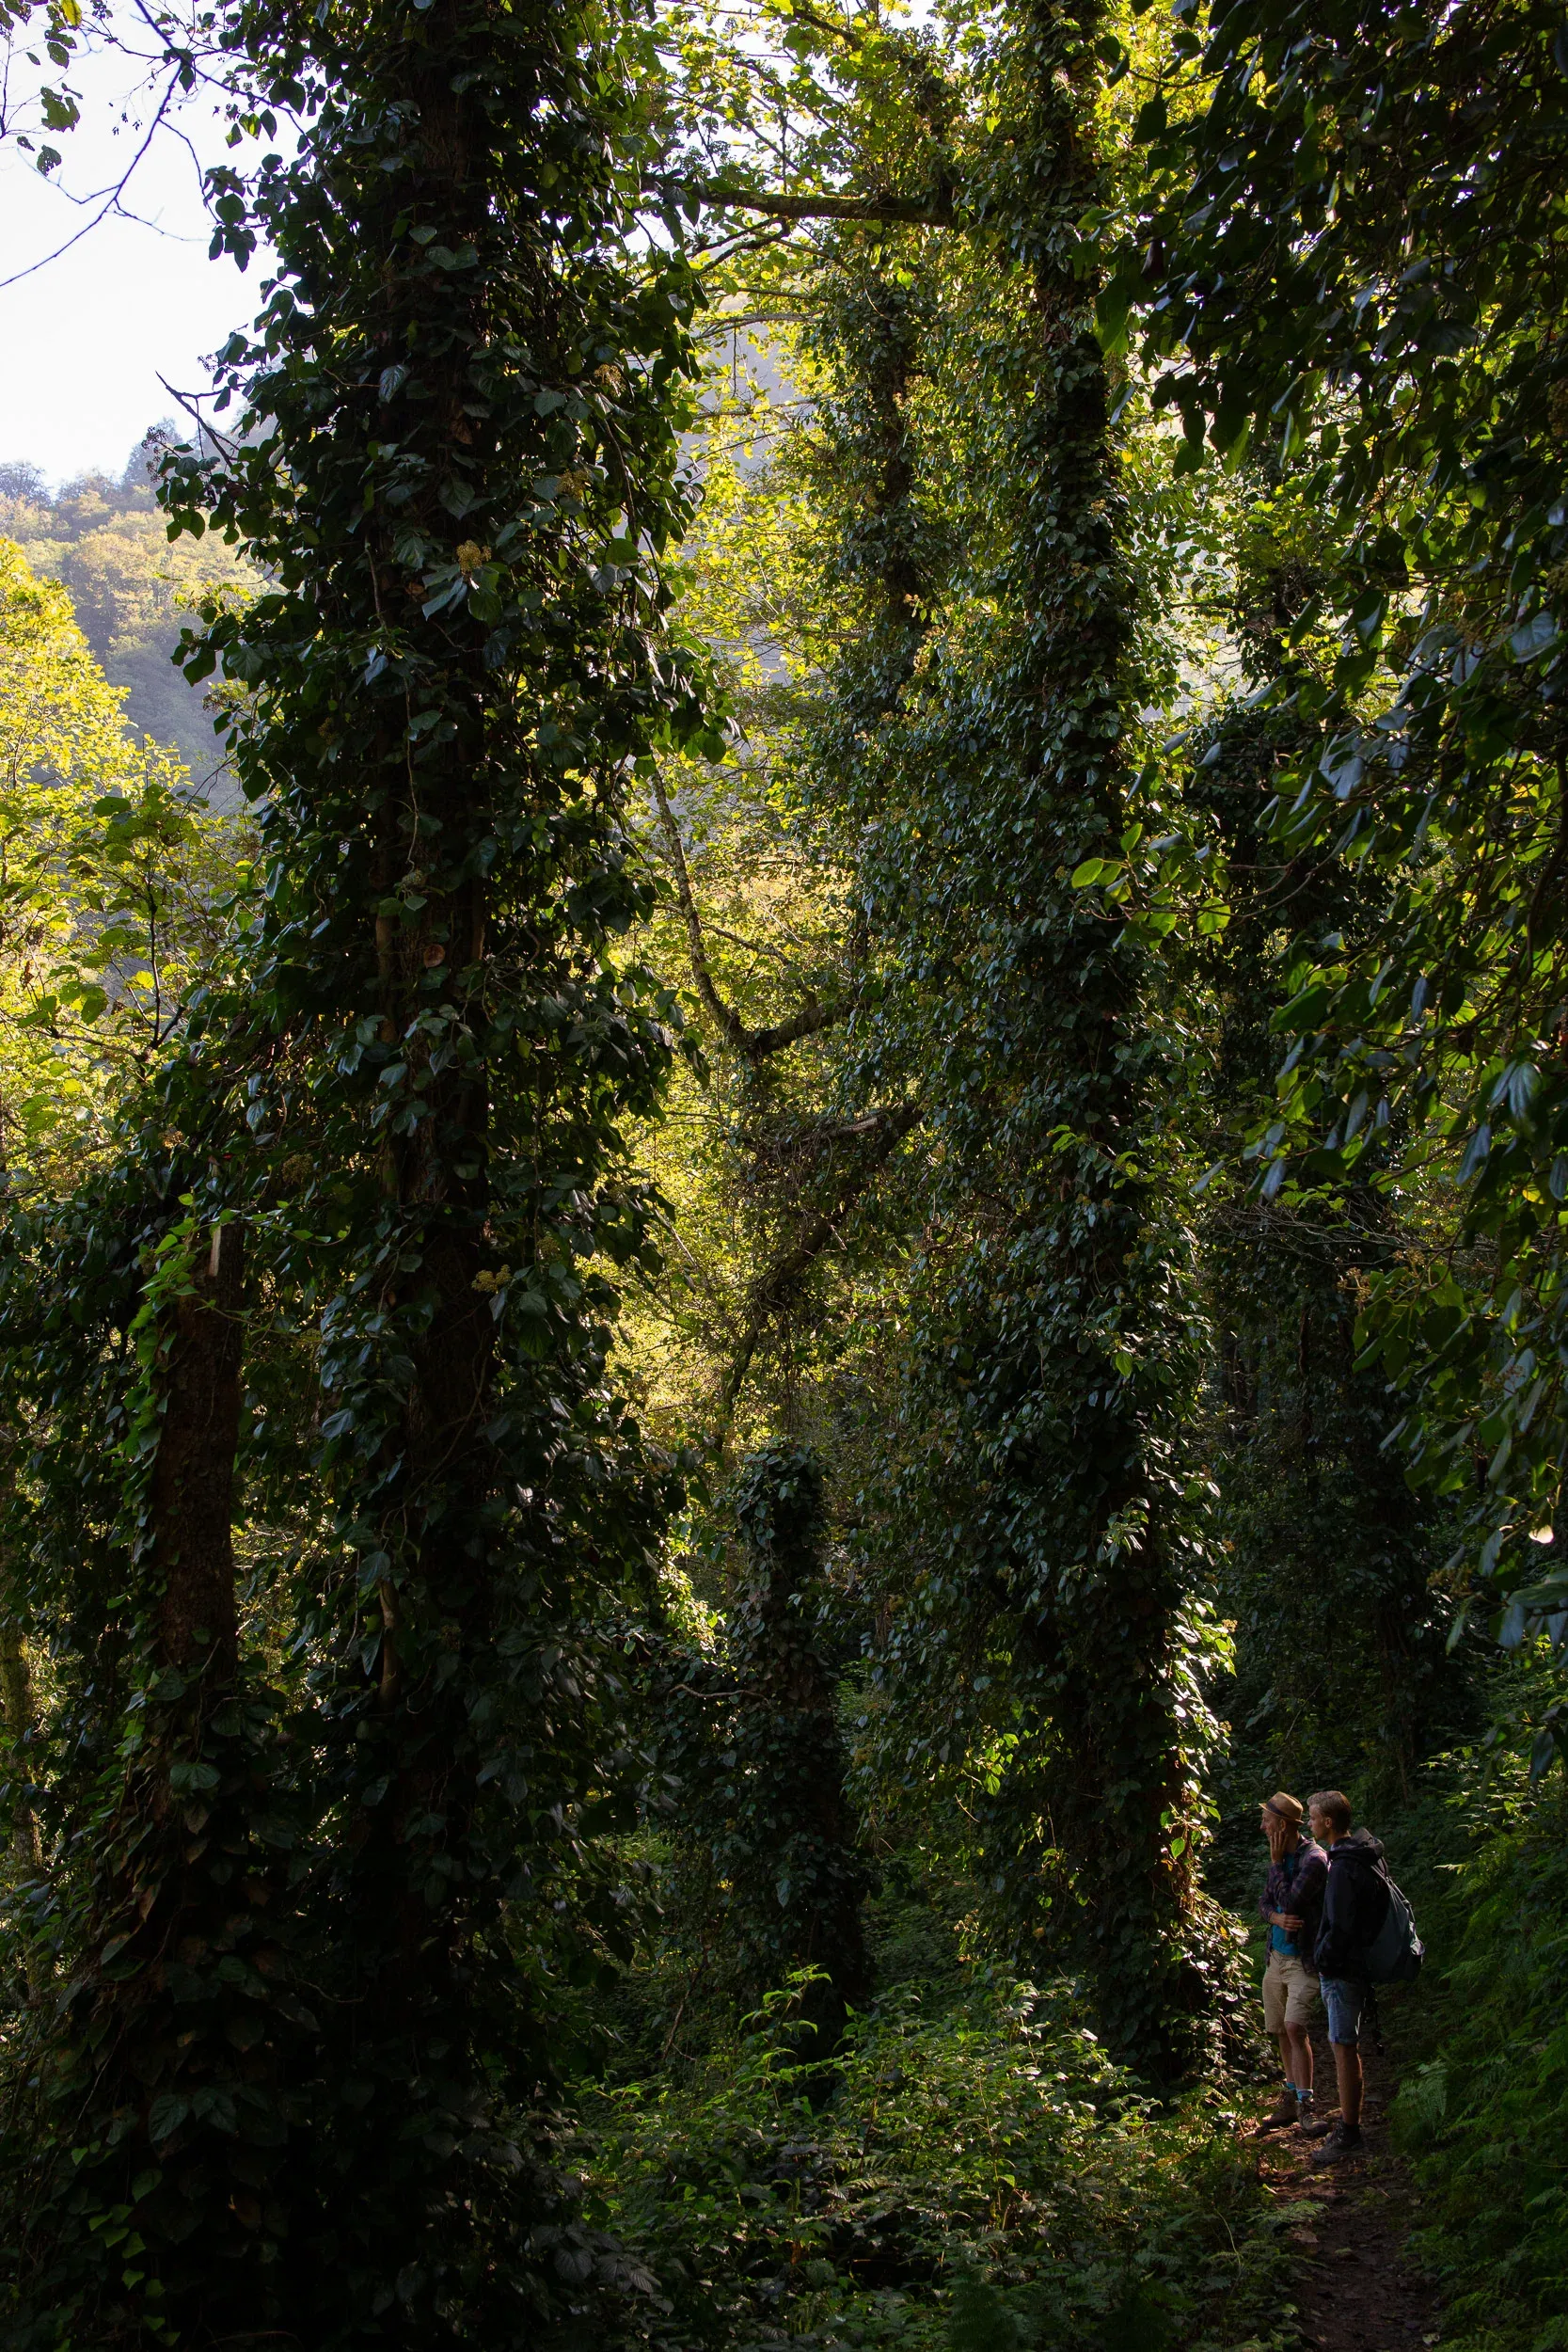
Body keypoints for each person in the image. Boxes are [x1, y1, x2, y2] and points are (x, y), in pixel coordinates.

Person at [1303, 1788, 1391, 2166]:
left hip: (1342, 1969)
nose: (1309, 1824)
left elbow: (1340, 1925)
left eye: (1312, 1818)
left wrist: (1322, 1958)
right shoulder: (1363, 1855)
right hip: (1357, 1964)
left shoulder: (1342, 1867)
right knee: (1345, 2045)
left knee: (1342, 2047)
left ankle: (1349, 2132)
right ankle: (1349, 2124)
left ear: (1328, 1822)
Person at [1256, 1790, 1326, 2133]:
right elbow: (1265, 1904)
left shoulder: (1314, 1860)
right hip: (1276, 1957)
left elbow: (1292, 1902)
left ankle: (1306, 2105)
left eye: (1267, 1821)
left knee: (1296, 2027)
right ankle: (1290, 2096)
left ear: (1283, 1826)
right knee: (1281, 2030)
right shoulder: (1279, 1857)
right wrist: (1275, 1919)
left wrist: (1275, 1866)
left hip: (1303, 1960)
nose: (1262, 1827)